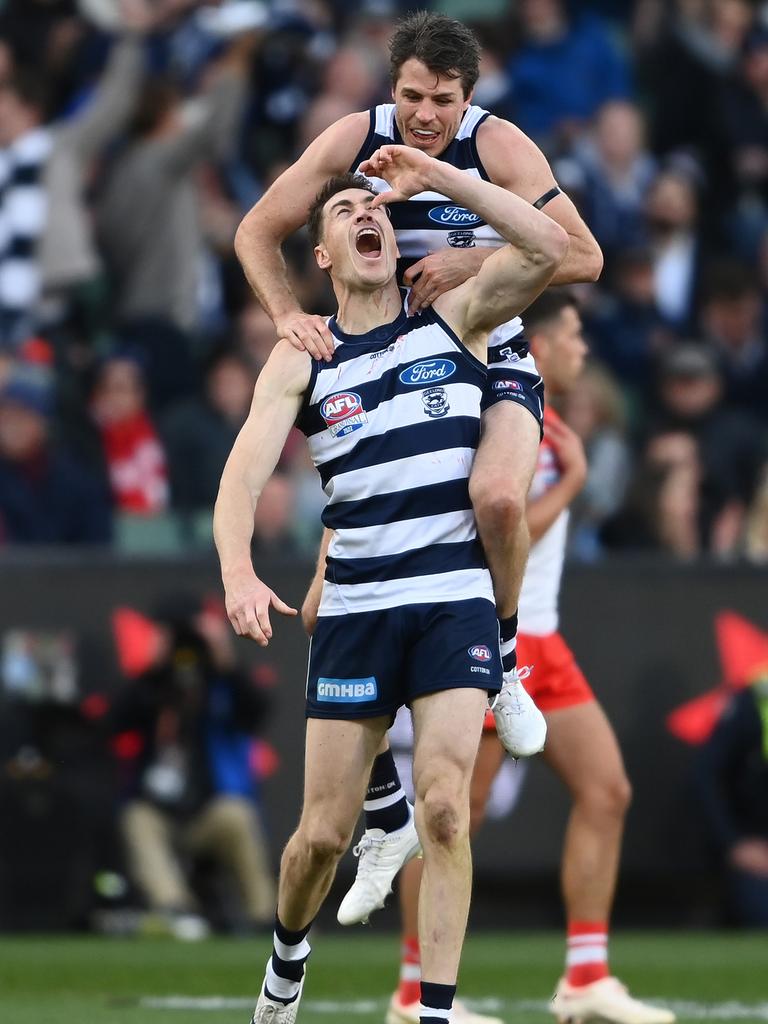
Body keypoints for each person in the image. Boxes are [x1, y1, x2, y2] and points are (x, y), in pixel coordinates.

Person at [214, 145, 567, 1022]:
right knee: (316, 843)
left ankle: (435, 1013)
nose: (367, 213)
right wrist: (239, 572)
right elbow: (240, 482)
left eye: (376, 206)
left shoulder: (453, 318)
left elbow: (549, 249)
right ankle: (287, 963)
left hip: (454, 600)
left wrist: (442, 177)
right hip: (359, 607)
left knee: (446, 808)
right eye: (344, 211)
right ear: (324, 256)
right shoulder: (303, 356)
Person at [321, 292, 675, 1024]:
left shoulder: (544, 416)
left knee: (606, 790)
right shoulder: (501, 415)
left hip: (544, 639)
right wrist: (573, 485)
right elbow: (498, 531)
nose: (584, 351)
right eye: (574, 335)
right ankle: (414, 993)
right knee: (452, 813)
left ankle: (585, 976)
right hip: (490, 632)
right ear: (538, 345)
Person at [234, 11, 602, 696]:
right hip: (393, 372)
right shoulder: (354, 137)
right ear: (391, 87)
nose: (425, 114)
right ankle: (375, 789)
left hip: (492, 354)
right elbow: (256, 230)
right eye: (412, 96)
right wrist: (288, 315)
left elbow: (583, 255)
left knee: (496, 500)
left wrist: (470, 262)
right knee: (318, 610)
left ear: (468, 98)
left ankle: (506, 654)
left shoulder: (499, 145)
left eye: (442, 100)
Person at [109, 597, 275, 936]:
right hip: (159, 811)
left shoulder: (217, 683)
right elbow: (116, 721)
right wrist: (152, 667)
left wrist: (223, 659)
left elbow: (256, 712)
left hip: (206, 808)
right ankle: (176, 909)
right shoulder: (153, 685)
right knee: (137, 819)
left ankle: (267, 917)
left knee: (237, 816)